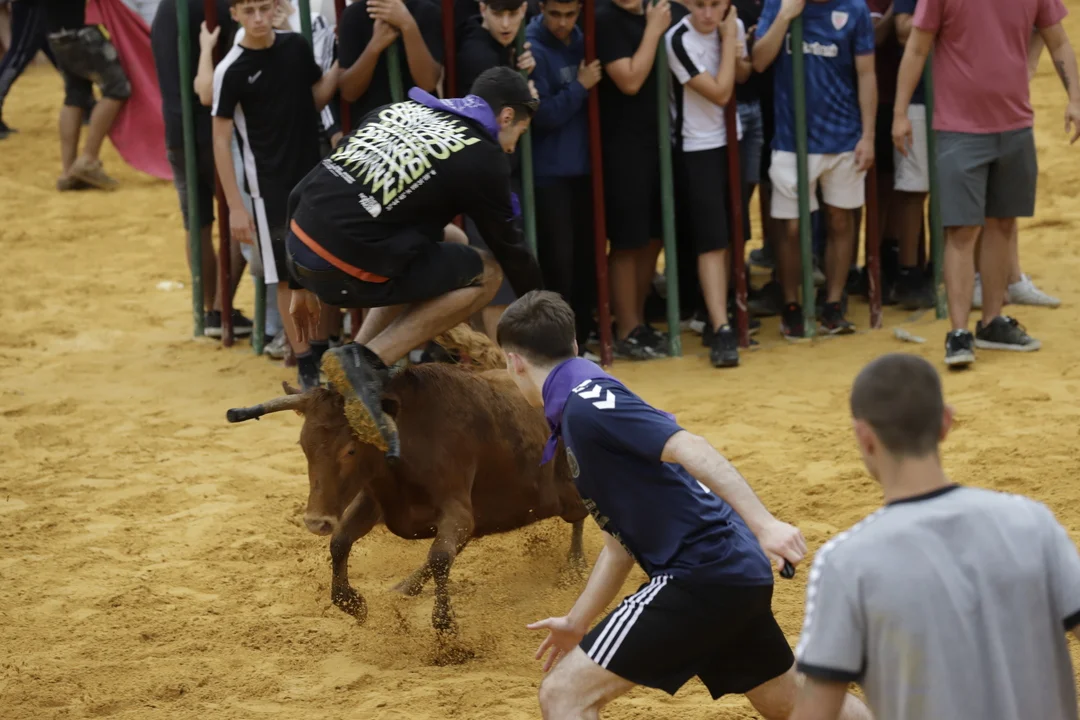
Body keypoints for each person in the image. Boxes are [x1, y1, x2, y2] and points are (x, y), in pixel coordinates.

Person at [492, 290, 871, 719]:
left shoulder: (587, 402)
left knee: (563, 695)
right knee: (792, 702)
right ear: (574, 345)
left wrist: (765, 524)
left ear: (514, 361)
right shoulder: (582, 402)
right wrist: (577, 621)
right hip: (728, 570)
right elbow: (619, 546)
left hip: (700, 572)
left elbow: (691, 446)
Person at [789, 352, 1080, 720]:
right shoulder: (1033, 523)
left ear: (864, 436)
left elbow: (816, 712)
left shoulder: (845, 563)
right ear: (945, 422)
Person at [285, 66, 544, 458]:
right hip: (345, 264)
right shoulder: (483, 155)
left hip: (301, 249)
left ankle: (354, 358)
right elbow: (510, 248)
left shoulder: (399, 110)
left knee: (454, 239)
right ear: (507, 116)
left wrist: (297, 281)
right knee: (488, 272)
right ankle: (370, 362)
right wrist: (544, 311)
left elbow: (298, 192)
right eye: (519, 133)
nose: (511, 148)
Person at [892, 0, 1078, 367]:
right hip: (959, 129)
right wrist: (900, 113)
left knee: (1003, 223)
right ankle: (959, 331)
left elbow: (1057, 40)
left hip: (1015, 125)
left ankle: (992, 321)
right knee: (962, 229)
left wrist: (1075, 98)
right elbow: (916, 47)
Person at [211, 0, 340, 388]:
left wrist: (343, 61)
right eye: (249, 10)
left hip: (312, 179)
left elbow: (316, 99)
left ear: (276, 8)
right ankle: (305, 364)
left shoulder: (295, 46)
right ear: (235, 13)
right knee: (285, 276)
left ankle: (320, 351)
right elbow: (220, 139)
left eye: (265, 8)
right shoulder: (230, 68)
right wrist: (236, 206)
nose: (258, 18)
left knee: (321, 267)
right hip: (269, 188)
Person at [752, 0, 876, 339]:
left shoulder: (855, 9)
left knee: (840, 220)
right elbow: (759, 60)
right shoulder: (779, 4)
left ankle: (833, 303)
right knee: (791, 228)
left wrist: (867, 135)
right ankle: (791, 304)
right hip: (792, 139)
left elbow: (866, 73)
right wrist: (785, 16)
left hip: (844, 136)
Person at [152, 0, 254, 340]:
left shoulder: (167, 8)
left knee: (197, 223)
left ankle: (211, 310)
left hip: (177, 131)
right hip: (216, 132)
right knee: (242, 216)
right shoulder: (216, 7)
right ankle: (221, 310)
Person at [594, 0, 680, 360]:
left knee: (654, 236)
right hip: (622, 146)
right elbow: (629, 80)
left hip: (656, 140)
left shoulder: (649, 12)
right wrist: (654, 30)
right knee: (628, 241)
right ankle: (626, 328)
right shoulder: (605, 18)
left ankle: (638, 321)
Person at [666, 0, 746, 367]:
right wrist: (729, 42)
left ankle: (720, 312)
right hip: (697, 146)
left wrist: (737, 49)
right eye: (700, 5)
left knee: (731, 235)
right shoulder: (677, 39)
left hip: (733, 139)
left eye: (716, 4)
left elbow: (742, 74)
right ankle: (721, 326)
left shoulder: (733, 26)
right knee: (711, 241)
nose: (709, 14)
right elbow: (720, 92)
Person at [456, 0, 535, 339]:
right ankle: (498, 362)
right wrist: (525, 90)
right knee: (495, 275)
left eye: (512, 14)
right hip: (482, 178)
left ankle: (488, 359)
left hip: (483, 175)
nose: (505, 23)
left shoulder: (498, 47)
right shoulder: (477, 51)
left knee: (491, 273)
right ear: (482, 8)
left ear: (525, 10)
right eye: (498, 13)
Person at [525, 0, 600, 355]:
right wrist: (581, 86)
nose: (562, 23)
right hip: (548, 173)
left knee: (587, 257)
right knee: (558, 264)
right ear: (541, 8)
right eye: (555, 14)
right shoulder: (531, 46)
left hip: (583, 168)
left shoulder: (584, 38)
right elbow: (542, 115)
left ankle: (583, 335)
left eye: (570, 15)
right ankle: (561, 346)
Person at [44, 0, 131, 190]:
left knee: (75, 94)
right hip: (82, 30)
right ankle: (88, 159)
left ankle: (68, 170)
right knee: (117, 88)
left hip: (55, 32)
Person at [336, 0, 442, 132]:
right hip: (371, 129)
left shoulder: (427, 11)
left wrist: (408, 25)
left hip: (422, 125)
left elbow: (428, 83)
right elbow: (348, 92)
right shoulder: (354, 15)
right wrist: (374, 46)